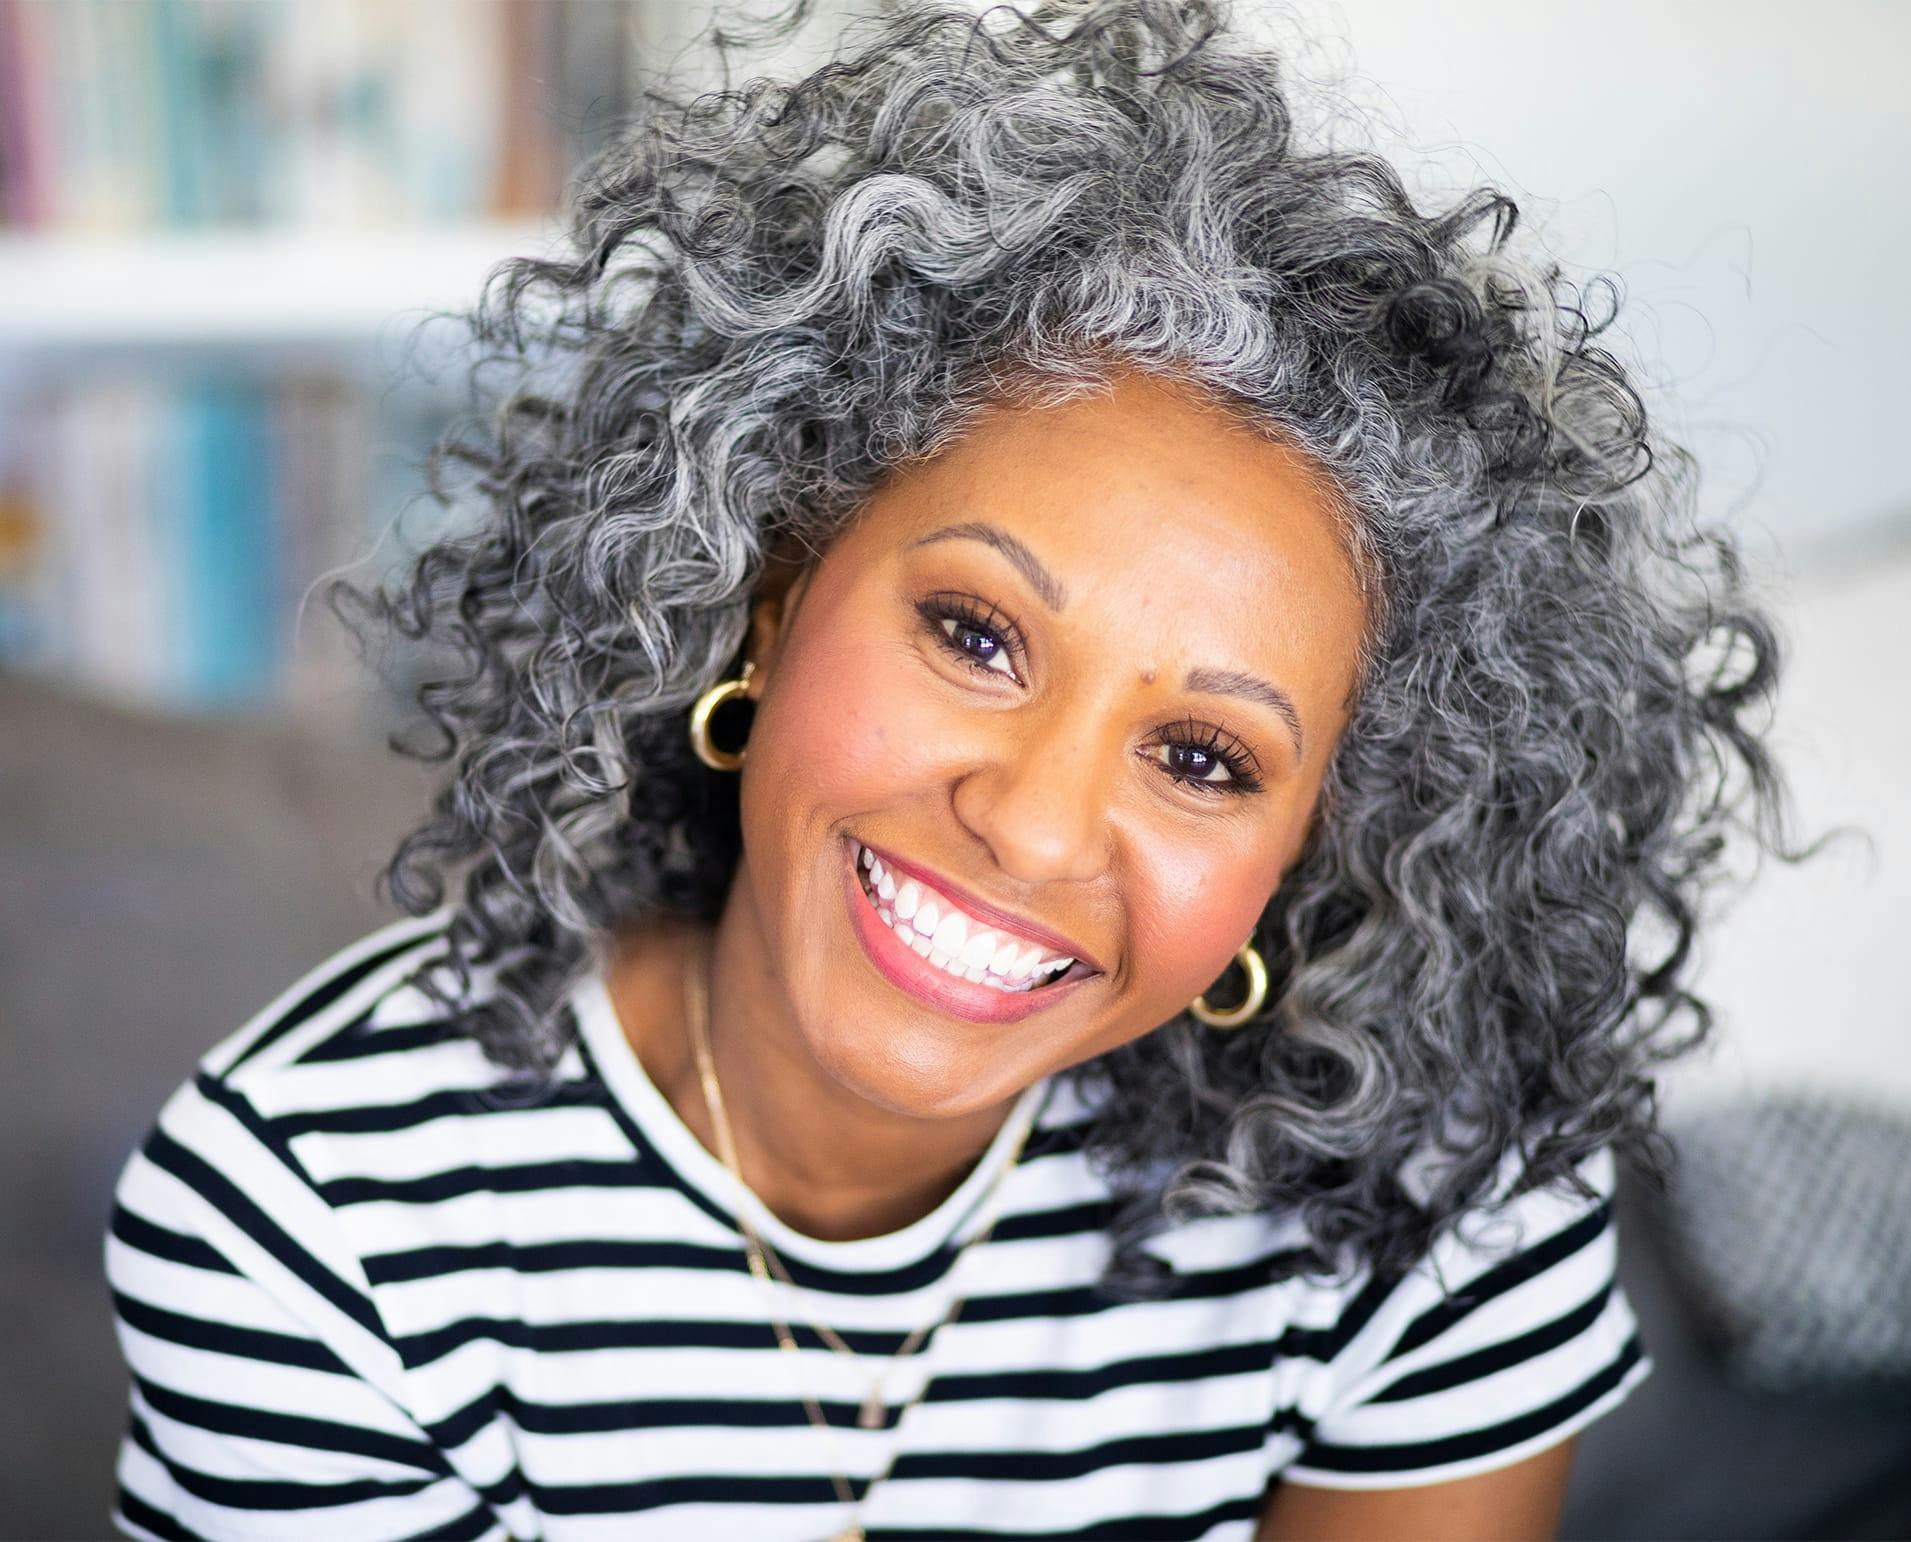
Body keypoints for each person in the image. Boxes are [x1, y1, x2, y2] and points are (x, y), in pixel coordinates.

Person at [103, 2, 1789, 1537]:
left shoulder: (1433, 1196)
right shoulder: (314, 1218)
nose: (1034, 820)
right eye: (976, 635)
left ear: (1324, 840)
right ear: (770, 585)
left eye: (1204, 755)